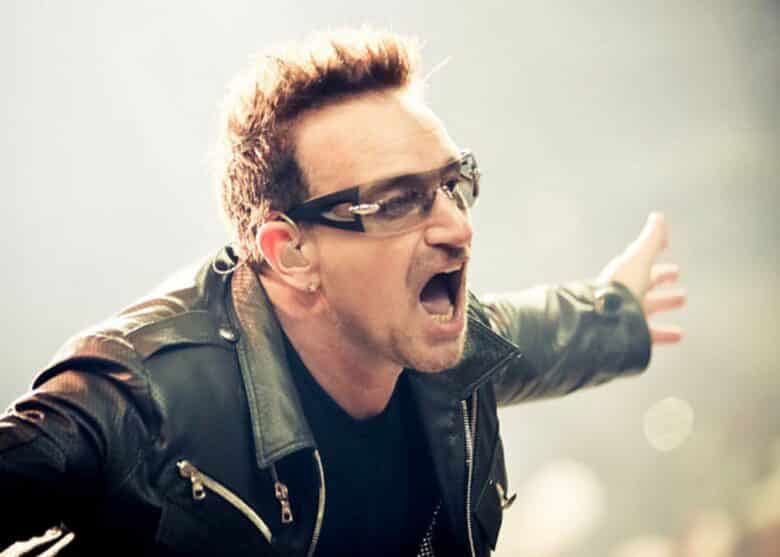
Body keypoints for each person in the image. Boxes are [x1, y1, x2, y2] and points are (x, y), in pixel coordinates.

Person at [0, 28, 685, 557]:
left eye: (452, 184)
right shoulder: (139, 397)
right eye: (397, 202)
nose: (457, 228)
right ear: (289, 251)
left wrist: (617, 312)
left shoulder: (454, 349)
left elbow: (543, 333)